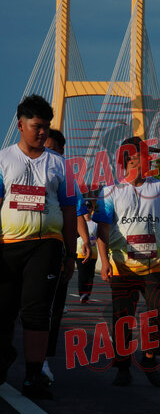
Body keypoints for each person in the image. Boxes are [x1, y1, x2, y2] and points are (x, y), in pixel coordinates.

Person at [0, 96, 77, 399]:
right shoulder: (3, 160)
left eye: (46, 127)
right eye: (37, 126)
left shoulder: (61, 165)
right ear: (20, 125)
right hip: (8, 246)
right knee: (4, 311)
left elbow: (69, 210)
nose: (43, 132)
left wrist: (71, 254)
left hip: (46, 245)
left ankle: (34, 376)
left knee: (37, 312)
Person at [93, 136, 160, 387]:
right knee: (123, 318)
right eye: (143, 155)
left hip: (154, 265)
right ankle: (122, 367)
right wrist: (104, 262)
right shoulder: (110, 191)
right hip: (123, 267)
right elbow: (102, 230)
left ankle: (149, 358)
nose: (149, 160)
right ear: (129, 160)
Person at [41, 128, 91, 385]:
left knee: (52, 309)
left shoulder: (66, 179)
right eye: (44, 149)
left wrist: (82, 245)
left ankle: (42, 360)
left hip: (56, 252)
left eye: (53, 150)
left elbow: (76, 213)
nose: (47, 154)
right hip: (22, 249)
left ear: (62, 152)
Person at [76, 200, 98, 303]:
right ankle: (82, 293)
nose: (87, 209)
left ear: (91, 209)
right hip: (81, 253)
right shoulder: (78, 223)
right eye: (85, 207)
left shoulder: (95, 224)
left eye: (89, 207)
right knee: (82, 274)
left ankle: (87, 294)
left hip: (93, 254)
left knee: (90, 275)